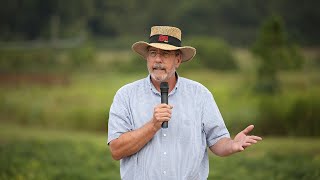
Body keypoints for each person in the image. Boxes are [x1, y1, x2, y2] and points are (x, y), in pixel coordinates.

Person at [107, 26, 262, 180]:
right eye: (153, 53)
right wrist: (153, 126)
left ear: (178, 59)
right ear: (147, 58)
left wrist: (232, 145)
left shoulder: (200, 95)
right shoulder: (126, 95)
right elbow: (116, 150)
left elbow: (217, 141)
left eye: (165, 54)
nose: (158, 59)